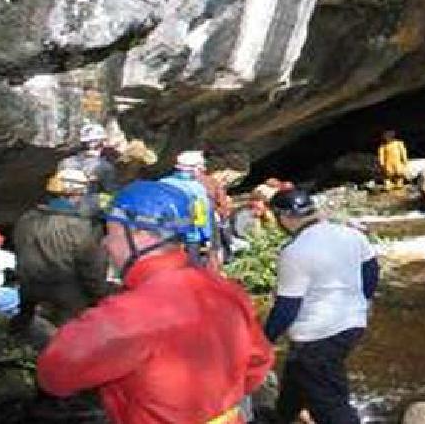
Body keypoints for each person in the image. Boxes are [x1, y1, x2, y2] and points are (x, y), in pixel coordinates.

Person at [37, 181, 274, 424]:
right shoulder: (227, 291)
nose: (106, 244)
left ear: (141, 234)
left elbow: (54, 374)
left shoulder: (128, 314)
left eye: (111, 232)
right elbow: (258, 363)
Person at [264, 188, 378, 424]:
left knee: (329, 403)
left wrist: (264, 339)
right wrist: (361, 301)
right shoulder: (350, 234)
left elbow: (287, 307)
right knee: (298, 374)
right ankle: (282, 417)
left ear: (283, 217)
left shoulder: (295, 252)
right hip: (353, 323)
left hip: (317, 334)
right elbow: (371, 270)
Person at [11, 169, 108, 331]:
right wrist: (100, 296)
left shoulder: (26, 218)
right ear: (76, 194)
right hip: (67, 294)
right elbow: (91, 268)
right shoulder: (80, 226)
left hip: (29, 288)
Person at [160, 150, 218, 267]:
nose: (203, 170)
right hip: (190, 238)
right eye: (201, 167)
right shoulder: (197, 189)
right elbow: (202, 219)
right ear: (193, 168)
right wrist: (207, 238)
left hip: (164, 237)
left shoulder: (162, 183)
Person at [60, 123, 118, 197]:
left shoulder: (64, 162)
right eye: (104, 141)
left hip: (61, 205)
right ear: (101, 143)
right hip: (87, 205)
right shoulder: (104, 166)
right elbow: (111, 192)